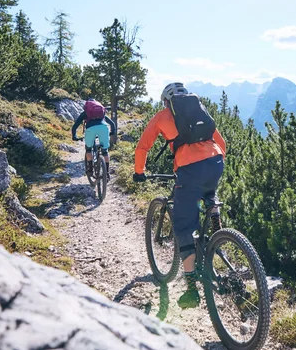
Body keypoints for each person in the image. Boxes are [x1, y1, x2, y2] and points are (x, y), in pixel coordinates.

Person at [133, 82, 226, 309]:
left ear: (167, 101)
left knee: (184, 228)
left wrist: (139, 172)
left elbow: (143, 146)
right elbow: (222, 143)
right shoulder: (199, 110)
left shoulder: (163, 115)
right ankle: (216, 224)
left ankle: (192, 289)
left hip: (189, 170)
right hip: (215, 163)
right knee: (207, 192)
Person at [71, 97, 118, 170]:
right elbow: (112, 123)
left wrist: (74, 136)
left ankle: (90, 169)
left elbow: (75, 126)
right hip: (103, 128)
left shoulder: (85, 113)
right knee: (105, 151)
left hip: (90, 129)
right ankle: (107, 172)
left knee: (88, 149)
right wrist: (112, 132)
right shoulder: (101, 113)